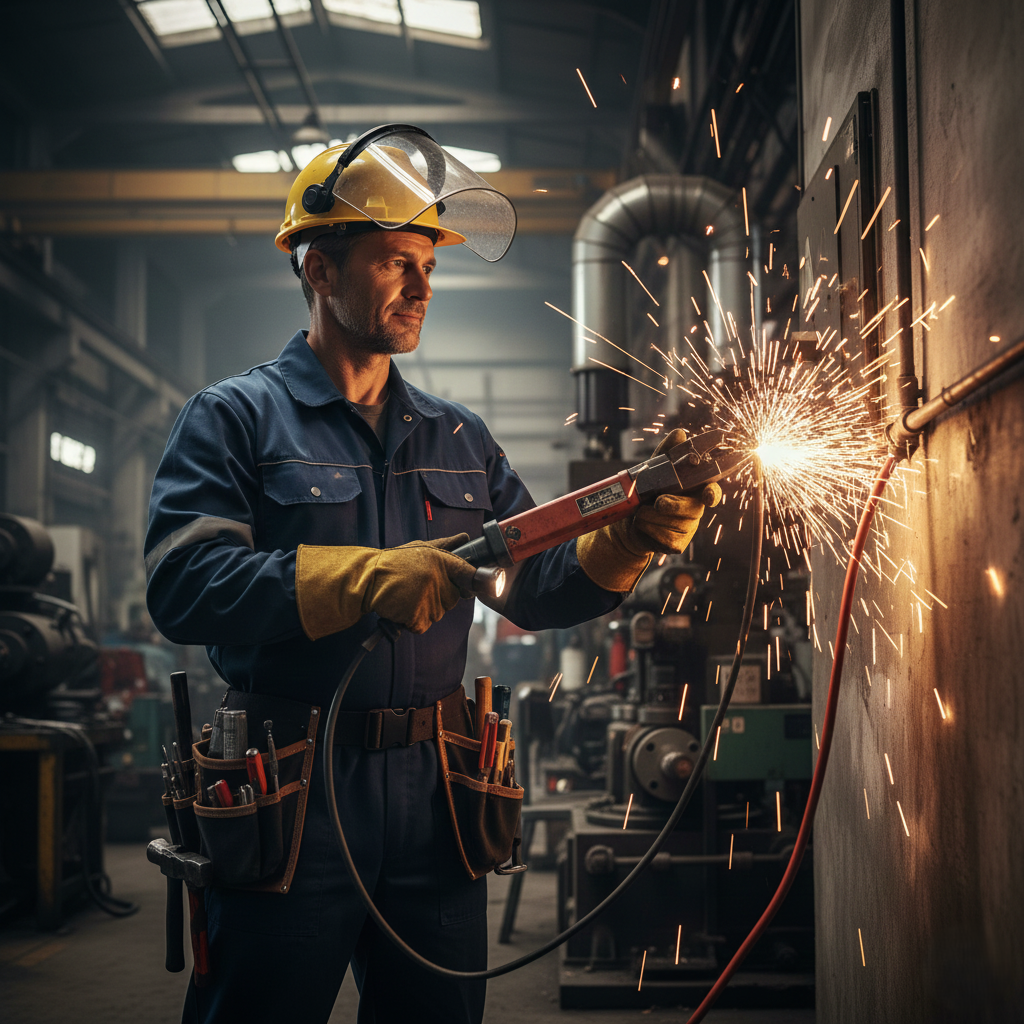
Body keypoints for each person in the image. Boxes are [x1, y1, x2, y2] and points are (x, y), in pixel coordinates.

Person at [145, 125, 716, 1024]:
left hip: (436, 796)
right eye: (393, 261)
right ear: (318, 269)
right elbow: (185, 585)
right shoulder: (234, 420)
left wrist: (631, 541)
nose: (422, 285)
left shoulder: (460, 440)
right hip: (292, 791)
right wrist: (365, 579)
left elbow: (532, 585)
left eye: (429, 264)